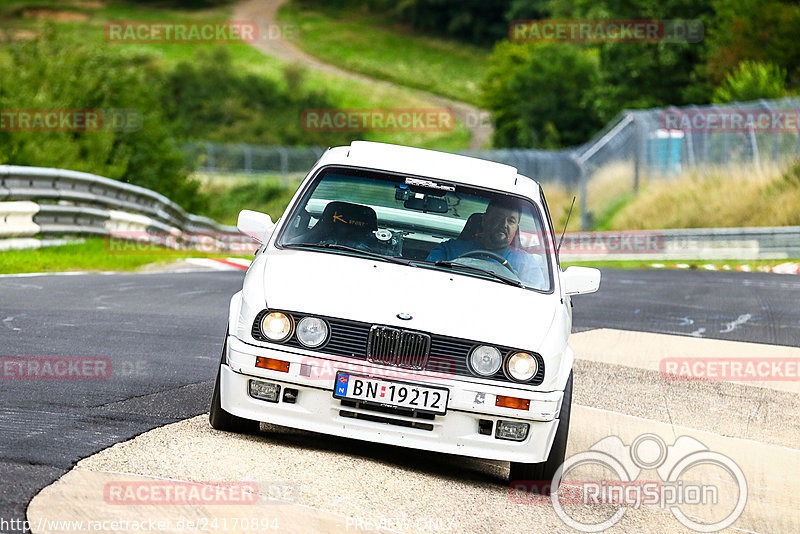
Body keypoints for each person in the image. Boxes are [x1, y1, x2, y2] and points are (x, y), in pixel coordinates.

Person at [426, 197, 546, 288]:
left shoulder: (526, 263)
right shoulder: (449, 249)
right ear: (484, 219)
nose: (504, 224)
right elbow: (426, 279)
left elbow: (534, 299)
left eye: (511, 221)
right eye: (498, 217)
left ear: (516, 228)